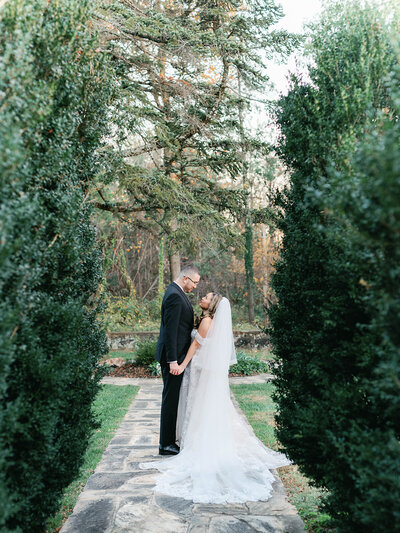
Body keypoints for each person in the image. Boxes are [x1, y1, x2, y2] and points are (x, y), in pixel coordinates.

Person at [141, 295, 291, 504]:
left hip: (200, 369)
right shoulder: (209, 321)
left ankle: (199, 440)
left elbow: (195, 345)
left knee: (200, 406)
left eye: (207, 297)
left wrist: (182, 365)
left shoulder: (207, 321)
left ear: (212, 305)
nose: (202, 297)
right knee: (204, 407)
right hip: (205, 368)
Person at [156, 265, 200, 456]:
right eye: (195, 282)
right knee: (170, 400)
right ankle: (166, 444)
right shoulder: (174, 295)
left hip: (176, 357)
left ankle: (168, 440)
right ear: (185, 279)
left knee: (172, 398)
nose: (196, 287)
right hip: (172, 358)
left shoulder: (176, 292)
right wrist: (173, 361)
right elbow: (170, 332)